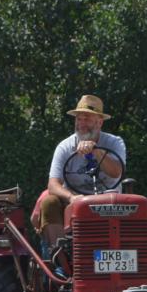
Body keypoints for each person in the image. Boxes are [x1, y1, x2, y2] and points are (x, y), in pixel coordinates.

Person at [31, 95, 126, 250]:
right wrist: (72, 197)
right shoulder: (65, 147)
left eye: (87, 119)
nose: (81, 124)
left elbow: (117, 172)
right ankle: (60, 256)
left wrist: (96, 151)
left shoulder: (115, 143)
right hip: (75, 203)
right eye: (78, 119)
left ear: (99, 122)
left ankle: (123, 255)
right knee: (49, 202)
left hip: (109, 204)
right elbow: (53, 185)